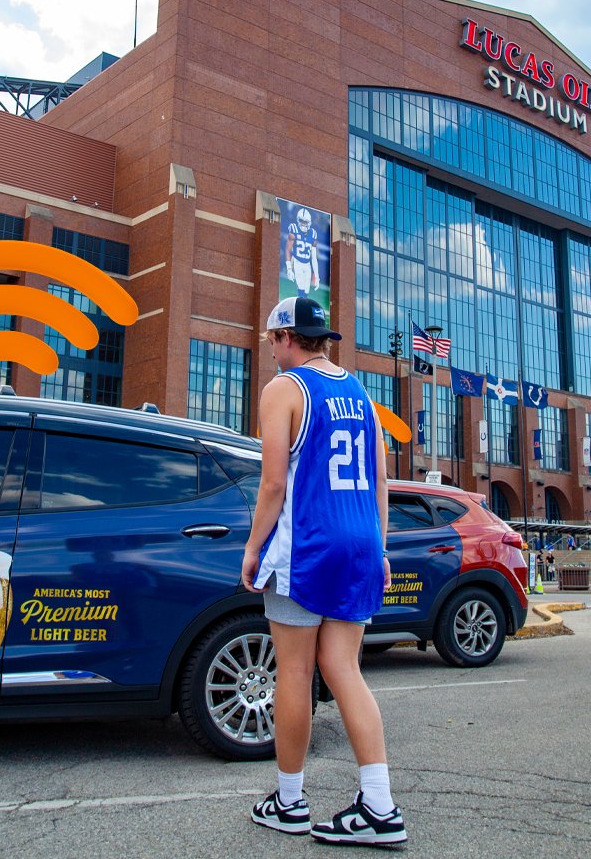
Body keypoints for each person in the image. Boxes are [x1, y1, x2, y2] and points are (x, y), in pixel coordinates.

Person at [244, 297, 406, 847]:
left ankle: (289, 800)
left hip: (309, 542)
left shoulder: (284, 390)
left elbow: (272, 485)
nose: (271, 350)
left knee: (292, 671)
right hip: (361, 540)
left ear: (287, 337)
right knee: (344, 668)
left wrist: (252, 548)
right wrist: (380, 549)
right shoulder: (361, 394)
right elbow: (382, 482)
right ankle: (379, 804)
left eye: (272, 339)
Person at [284, 207, 321, 298]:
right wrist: (289, 268)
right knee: (301, 290)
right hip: (297, 262)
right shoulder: (294, 229)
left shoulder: (313, 234)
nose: (303, 224)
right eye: (301, 221)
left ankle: (302, 307)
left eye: (306, 222)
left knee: (306, 292)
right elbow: (288, 249)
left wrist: (316, 276)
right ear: (298, 220)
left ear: (309, 222)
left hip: (307, 264)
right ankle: (300, 308)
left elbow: (313, 257)